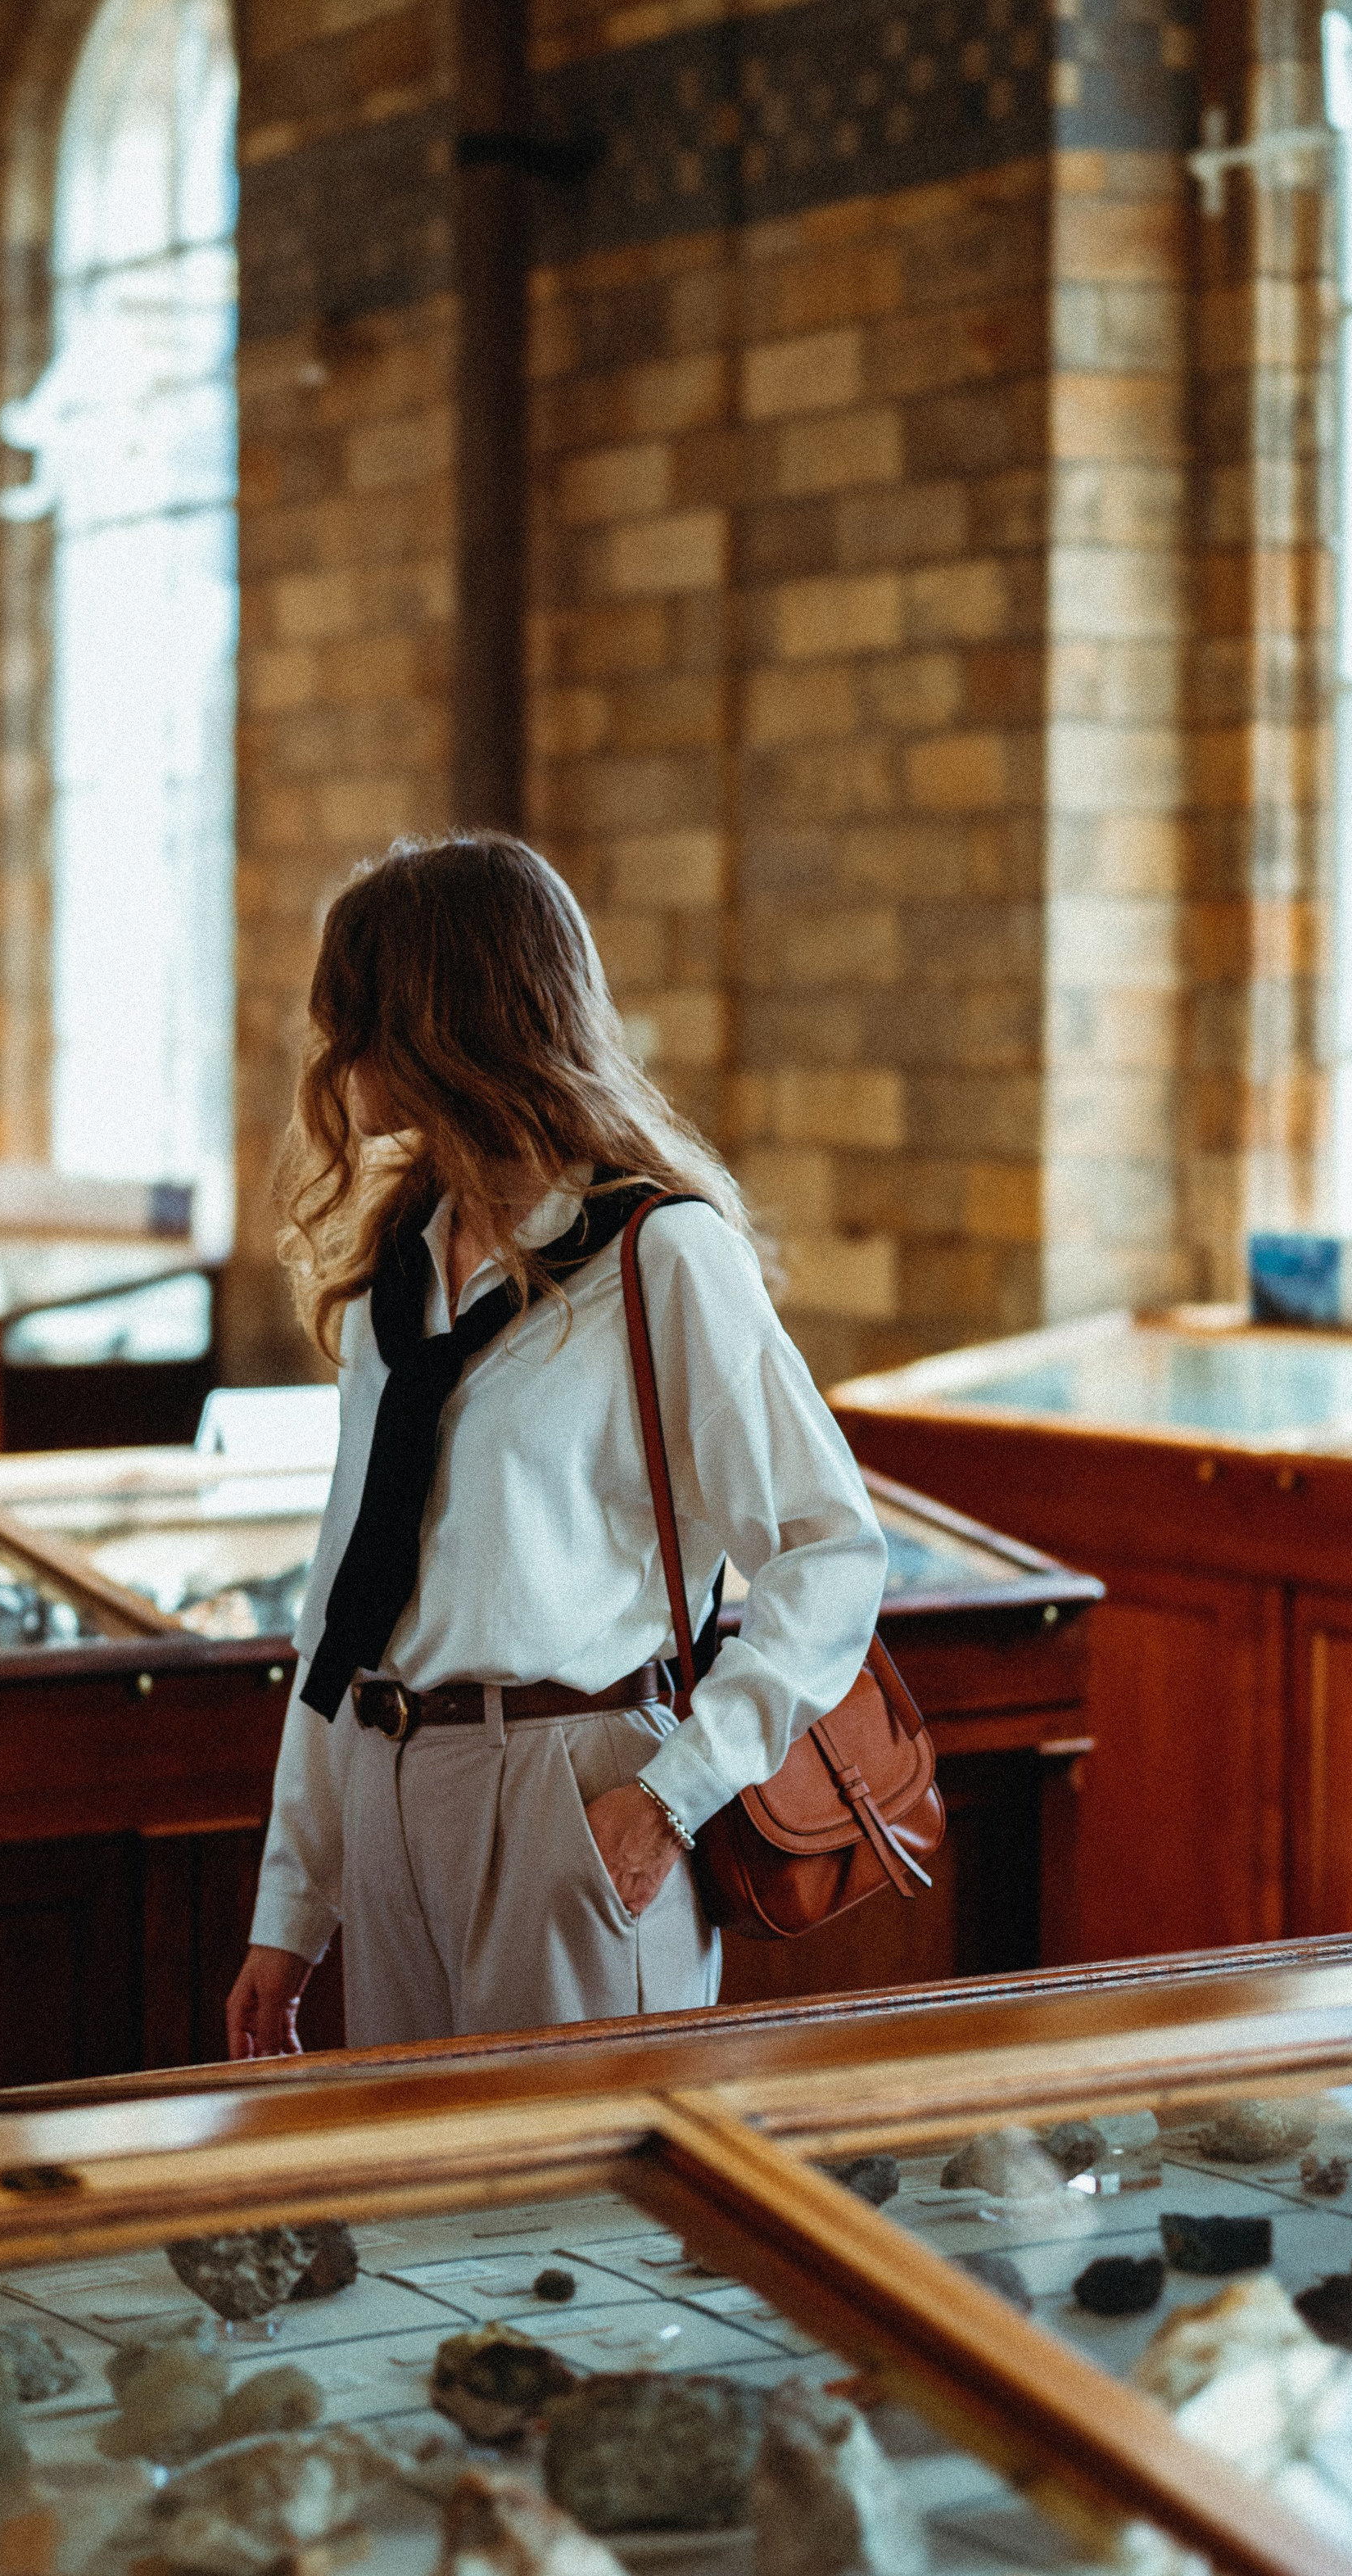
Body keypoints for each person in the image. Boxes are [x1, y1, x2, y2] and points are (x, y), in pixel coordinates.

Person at [225, 834, 888, 2056]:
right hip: (386, 1778)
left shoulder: (659, 1255)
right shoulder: (399, 1271)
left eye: (362, 1016)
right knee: (414, 2218)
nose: (338, 1054)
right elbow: (342, 1603)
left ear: (445, 1021)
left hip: (570, 1790)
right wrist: (292, 1905)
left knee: (575, 2225)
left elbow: (830, 1551)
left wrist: (669, 1799)